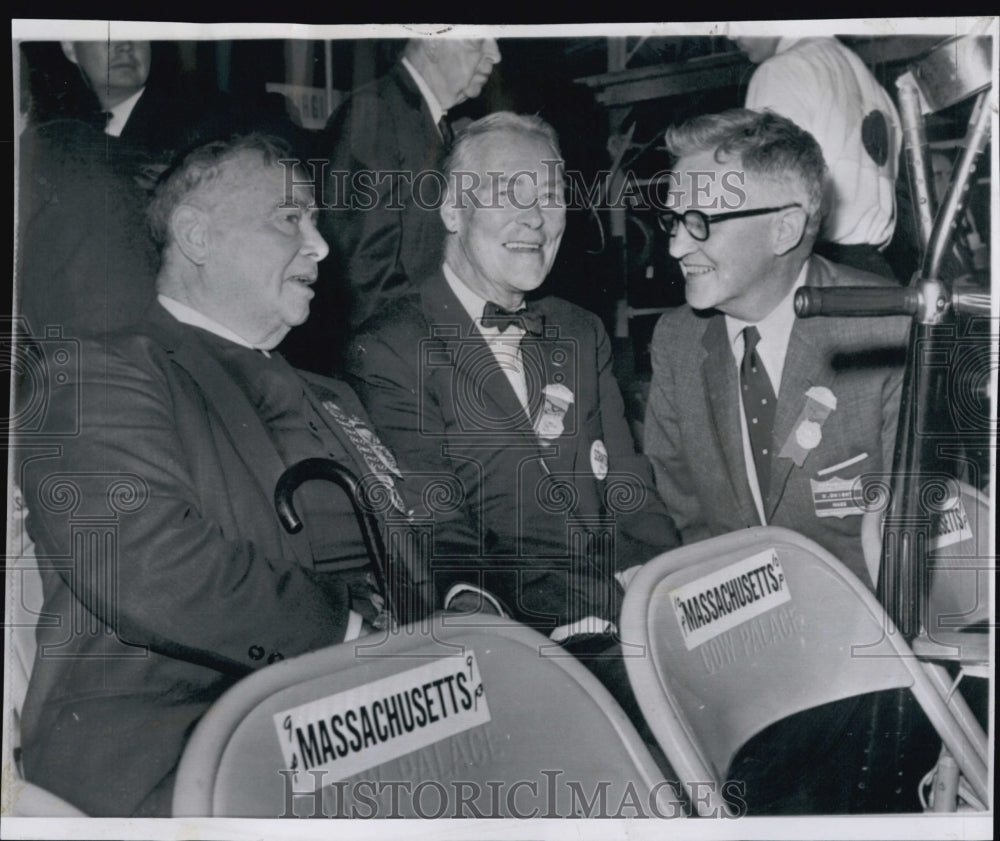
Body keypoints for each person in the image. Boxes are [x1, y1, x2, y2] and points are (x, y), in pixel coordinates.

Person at [16, 135, 438, 817]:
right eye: (289, 217)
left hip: (371, 726)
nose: (322, 245)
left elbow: (414, 554)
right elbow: (149, 568)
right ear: (197, 235)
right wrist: (358, 637)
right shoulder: (99, 373)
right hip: (181, 763)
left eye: (317, 220)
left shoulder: (335, 396)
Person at [643, 109, 921, 813]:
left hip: (871, 661)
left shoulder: (890, 327)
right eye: (672, 220)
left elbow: (917, 561)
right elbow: (686, 525)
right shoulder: (677, 341)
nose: (676, 244)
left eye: (700, 221)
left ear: (786, 227)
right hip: (736, 653)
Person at [346, 112, 680, 655]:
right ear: (454, 209)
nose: (536, 220)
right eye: (510, 195)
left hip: (627, 615)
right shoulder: (391, 346)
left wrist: (658, 581)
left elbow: (626, 482)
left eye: (550, 197)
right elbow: (440, 527)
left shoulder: (579, 329)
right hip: (516, 632)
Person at [285, 38, 501, 372]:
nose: (494, 54)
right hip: (392, 364)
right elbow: (362, 275)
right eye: (478, 40)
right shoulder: (374, 112)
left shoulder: (429, 122)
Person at [734, 36, 901, 279]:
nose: (729, 33)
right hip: (876, 269)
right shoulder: (859, 70)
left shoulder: (780, 72)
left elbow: (768, 196)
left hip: (815, 272)